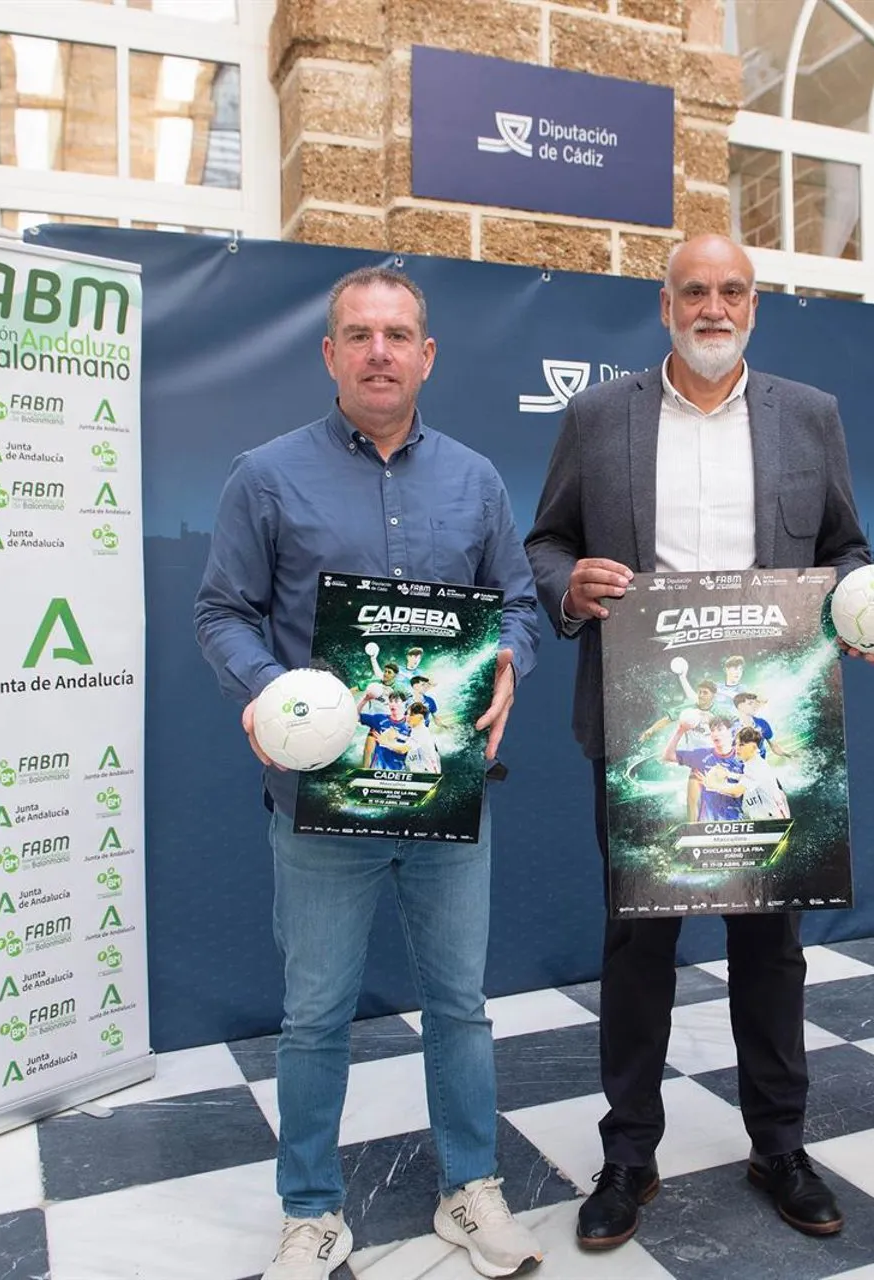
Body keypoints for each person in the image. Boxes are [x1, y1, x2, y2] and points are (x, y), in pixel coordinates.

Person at [194, 266, 545, 1280]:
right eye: (360, 334)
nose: (380, 351)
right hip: (320, 802)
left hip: (447, 788)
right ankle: (310, 1210)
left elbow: (518, 602)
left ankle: (469, 1188)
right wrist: (266, 694)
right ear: (331, 354)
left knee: (460, 1005)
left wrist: (510, 661)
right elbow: (223, 610)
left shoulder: (475, 479)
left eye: (398, 334)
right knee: (312, 1017)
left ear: (427, 354)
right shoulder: (265, 474)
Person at [525, 233, 872, 1250]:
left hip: (769, 724)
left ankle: (780, 1142)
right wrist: (568, 583)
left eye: (732, 290)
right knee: (640, 948)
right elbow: (545, 540)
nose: (713, 306)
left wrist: (853, 598)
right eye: (695, 290)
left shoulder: (811, 414)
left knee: (773, 949)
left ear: (754, 304)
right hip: (647, 722)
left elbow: (846, 544)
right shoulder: (599, 417)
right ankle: (629, 1152)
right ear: (663, 302)